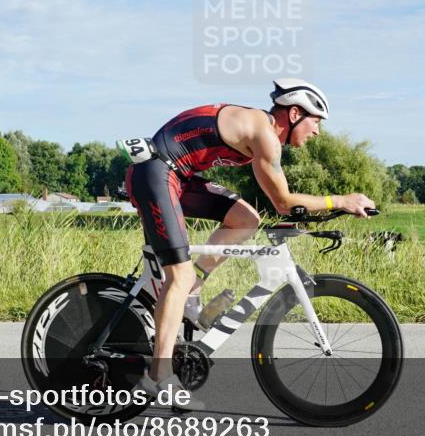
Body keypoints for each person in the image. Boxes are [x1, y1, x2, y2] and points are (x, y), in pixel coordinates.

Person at [123, 78, 376, 407]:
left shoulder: (261, 129)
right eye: (316, 121)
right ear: (295, 114)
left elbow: (280, 204)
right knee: (178, 276)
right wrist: (341, 200)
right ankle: (160, 375)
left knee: (246, 220)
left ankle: (192, 292)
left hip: (176, 176)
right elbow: (283, 202)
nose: (317, 131)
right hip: (156, 174)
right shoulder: (264, 135)